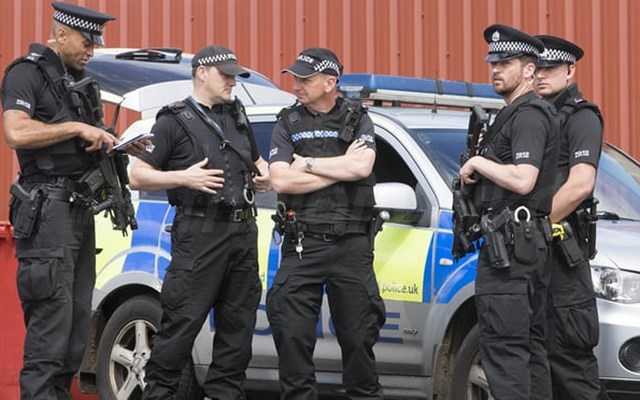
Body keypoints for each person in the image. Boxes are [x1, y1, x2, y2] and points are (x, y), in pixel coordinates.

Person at [0, 3, 143, 399]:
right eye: (86, 42)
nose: (91, 51)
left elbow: (85, 140)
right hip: (47, 212)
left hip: (79, 212)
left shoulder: (79, 81)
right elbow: (15, 132)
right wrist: (76, 128)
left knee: (76, 332)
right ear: (61, 34)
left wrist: (117, 143)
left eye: (95, 44)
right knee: (51, 330)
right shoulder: (26, 73)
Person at [129, 45, 270, 400]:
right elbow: (137, 175)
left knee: (238, 333)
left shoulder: (237, 115)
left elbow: (258, 163)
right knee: (180, 327)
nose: (232, 82)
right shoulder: (173, 120)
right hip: (199, 234)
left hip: (242, 232)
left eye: (235, 76)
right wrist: (184, 178)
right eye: (226, 75)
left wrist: (266, 175)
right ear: (202, 73)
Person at [266, 47, 385, 400]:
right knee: (291, 337)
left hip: (351, 246)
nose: (296, 86)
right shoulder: (288, 121)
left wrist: (307, 164)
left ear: (330, 82)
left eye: (305, 79)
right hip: (303, 245)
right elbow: (281, 180)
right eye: (295, 79)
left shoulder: (357, 118)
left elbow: (361, 167)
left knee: (359, 339)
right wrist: (339, 168)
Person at [458, 25, 559, 400]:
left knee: (505, 352)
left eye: (506, 63)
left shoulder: (528, 115)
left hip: (512, 253)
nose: (496, 69)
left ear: (529, 70)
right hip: (522, 247)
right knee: (528, 352)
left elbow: (523, 179)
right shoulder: (516, 114)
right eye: (493, 63)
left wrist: (479, 164)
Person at [534, 35, 608, 400]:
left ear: (570, 70)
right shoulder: (530, 117)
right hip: (531, 258)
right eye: (536, 69)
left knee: (571, 372)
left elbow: (580, 184)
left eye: (550, 69)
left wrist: (533, 226)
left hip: (562, 258)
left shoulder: (581, 117)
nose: (541, 76)